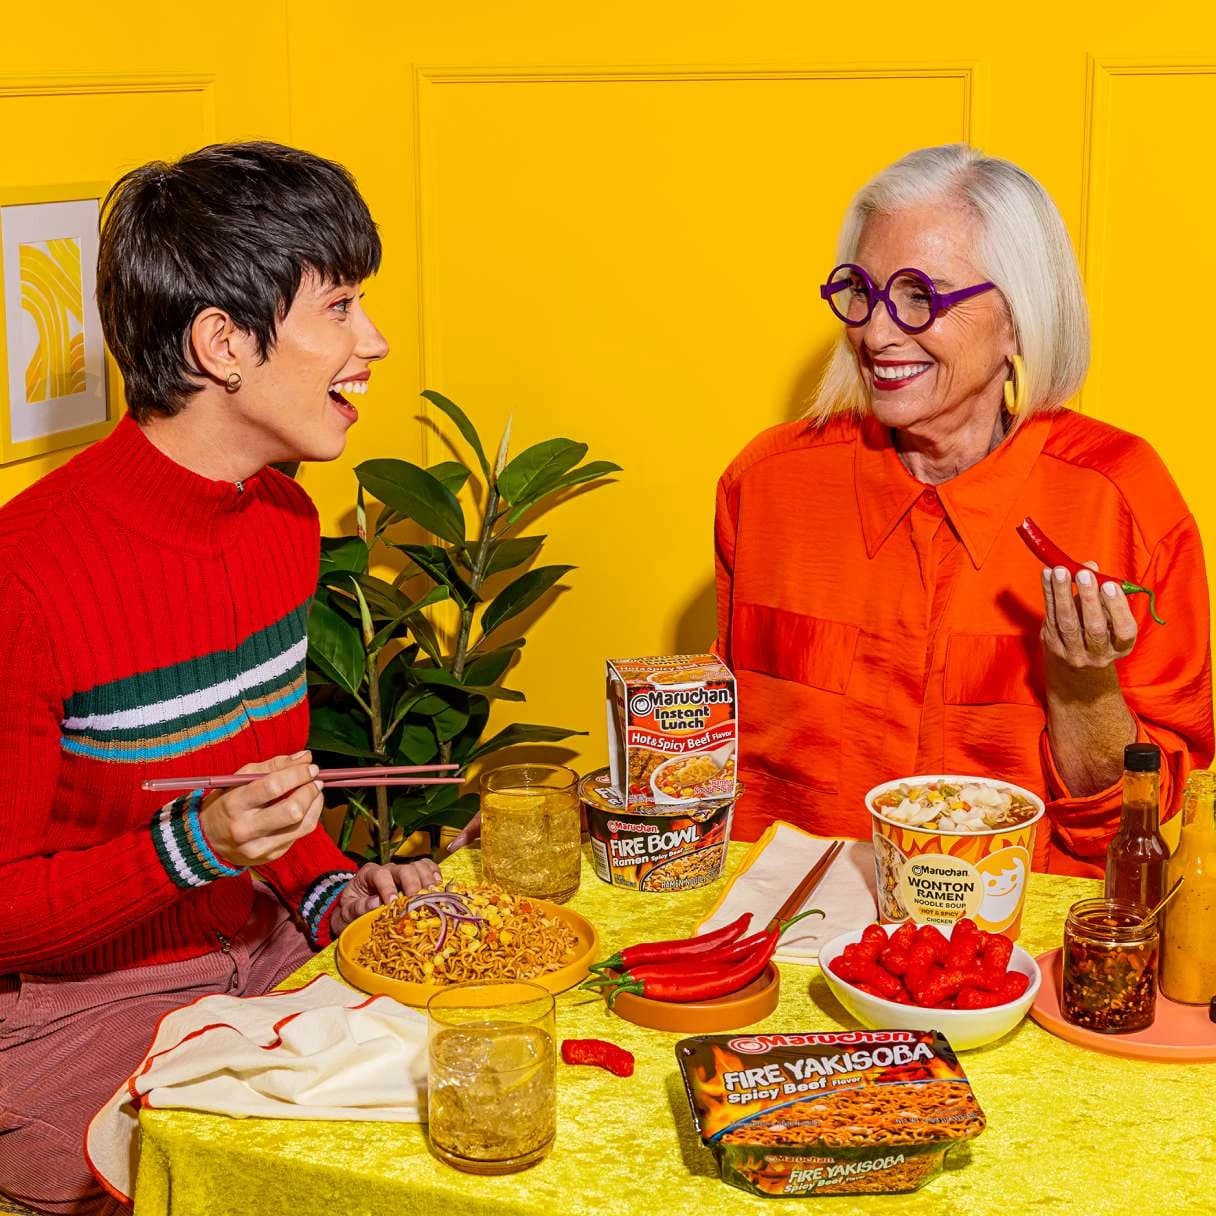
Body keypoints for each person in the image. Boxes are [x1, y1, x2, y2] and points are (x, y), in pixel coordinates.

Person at [0, 142, 440, 1215]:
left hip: (260, 954)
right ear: (222, 344)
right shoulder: (26, 574)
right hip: (77, 1008)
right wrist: (190, 847)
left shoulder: (285, 519)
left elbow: (273, 796)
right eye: (338, 306)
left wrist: (333, 884)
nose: (370, 341)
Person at [715, 143, 1213, 874]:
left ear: (1019, 322)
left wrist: (1082, 692)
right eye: (863, 290)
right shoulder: (766, 485)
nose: (878, 333)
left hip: (1017, 954)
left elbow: (1139, 837)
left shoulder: (1120, 497)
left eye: (922, 295)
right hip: (791, 946)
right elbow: (706, 748)